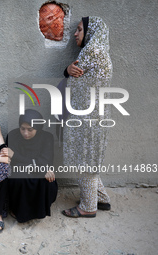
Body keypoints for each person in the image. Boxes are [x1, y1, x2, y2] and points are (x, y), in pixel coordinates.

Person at [61, 17, 112, 218]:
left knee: (85, 161)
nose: (75, 33)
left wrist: (66, 70)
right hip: (97, 115)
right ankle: (102, 198)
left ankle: (88, 207)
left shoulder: (92, 52)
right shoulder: (103, 52)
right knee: (91, 159)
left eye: (80, 29)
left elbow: (72, 78)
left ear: (91, 32)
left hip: (87, 117)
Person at [6, 109, 58, 223]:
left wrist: (15, 156)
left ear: (38, 128)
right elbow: (11, 163)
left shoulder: (47, 138)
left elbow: (45, 163)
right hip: (20, 174)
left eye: (30, 130)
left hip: (39, 173)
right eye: (22, 129)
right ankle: (18, 210)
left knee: (47, 178)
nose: (25, 133)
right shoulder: (13, 136)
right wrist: (34, 164)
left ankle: (39, 210)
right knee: (20, 176)